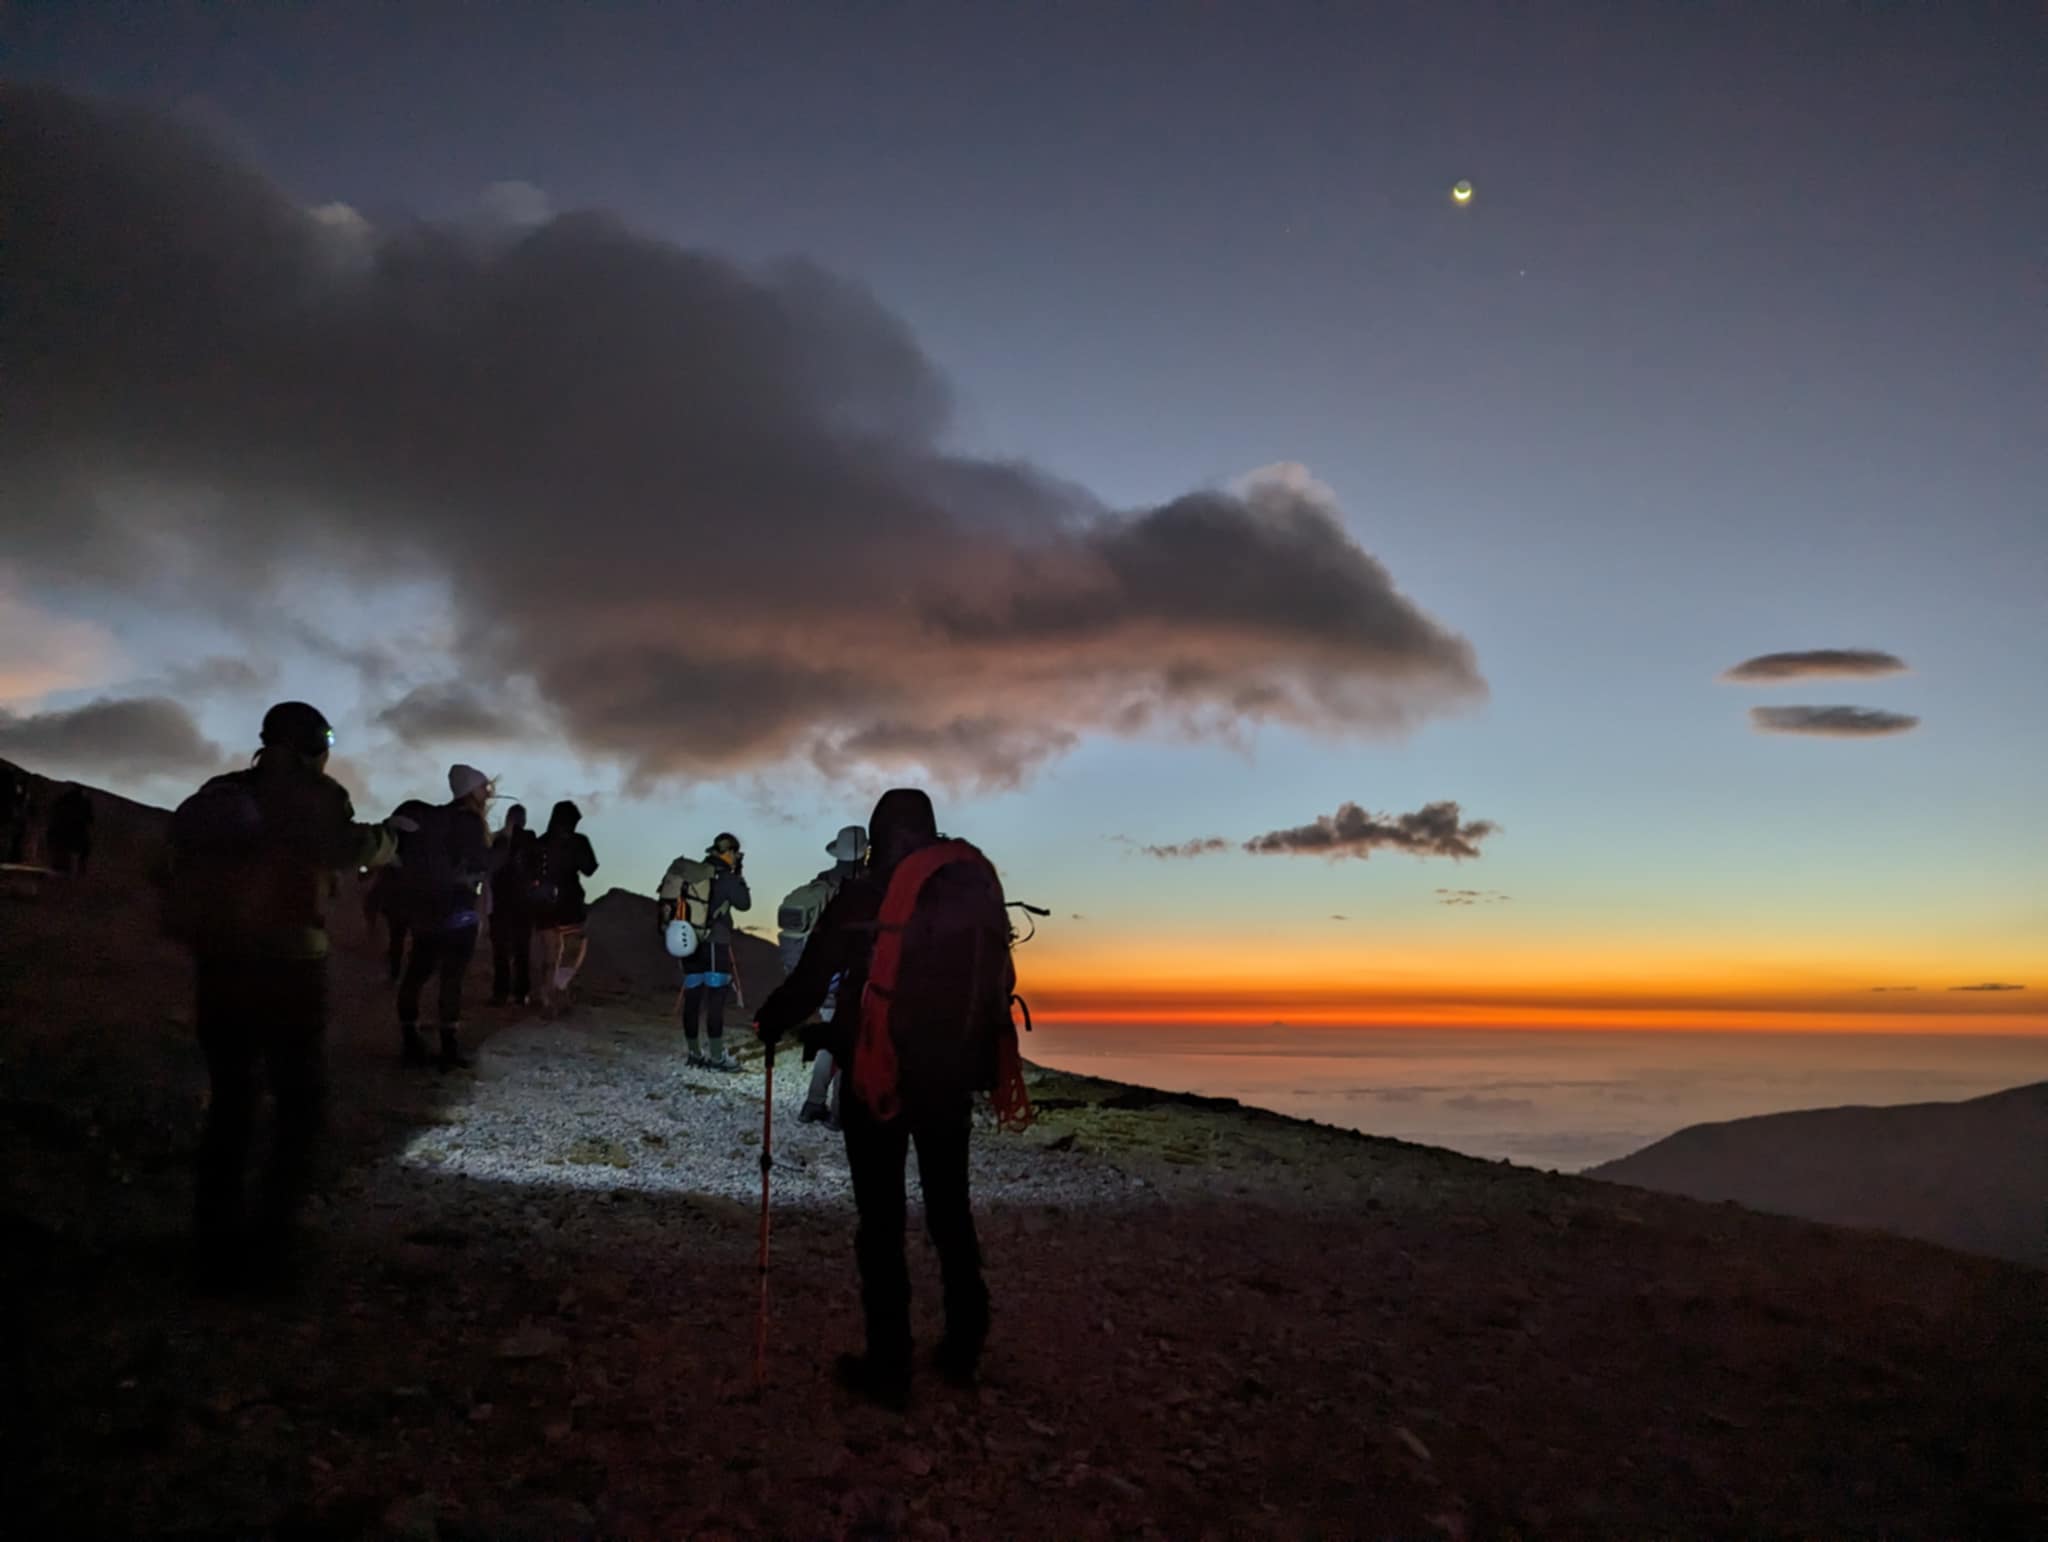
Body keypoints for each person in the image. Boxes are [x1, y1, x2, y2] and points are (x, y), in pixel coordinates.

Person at [755, 789, 1017, 1408]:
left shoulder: (864, 895)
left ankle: (889, 1364)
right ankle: (963, 1346)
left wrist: (772, 1020)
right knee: (950, 1207)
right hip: (951, 1076)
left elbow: (812, 978)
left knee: (881, 1218)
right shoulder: (965, 888)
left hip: (877, 1075)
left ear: (877, 836)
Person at [163, 701, 402, 1290]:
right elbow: (348, 848)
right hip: (291, 966)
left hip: (221, 963)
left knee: (232, 1102)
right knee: (299, 1105)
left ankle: (213, 1245)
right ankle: (272, 1249)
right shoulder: (316, 796)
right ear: (312, 745)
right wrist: (390, 840)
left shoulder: (221, 792)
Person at [393, 765, 497, 1068]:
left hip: (426, 907)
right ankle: (449, 1046)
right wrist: (501, 847)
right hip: (459, 908)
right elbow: (481, 863)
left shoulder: (435, 819)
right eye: (483, 787)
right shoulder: (470, 822)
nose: (487, 793)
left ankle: (410, 1041)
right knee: (452, 978)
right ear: (470, 790)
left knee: (417, 972)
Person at [778, 825, 869, 1125]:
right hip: (851, 982)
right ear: (865, 852)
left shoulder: (820, 885)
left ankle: (813, 1104)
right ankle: (840, 1113)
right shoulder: (866, 887)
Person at [665, 832, 751, 1071]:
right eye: (735, 853)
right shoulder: (726, 877)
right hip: (715, 942)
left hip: (690, 941)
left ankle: (694, 1053)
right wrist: (738, 875)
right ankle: (716, 1057)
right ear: (729, 852)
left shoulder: (694, 874)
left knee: (693, 997)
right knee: (716, 999)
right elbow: (744, 904)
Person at [532, 800, 598, 1017]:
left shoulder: (541, 842)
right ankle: (557, 990)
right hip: (568, 903)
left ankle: (550, 995)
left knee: (553, 953)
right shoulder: (577, 842)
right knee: (571, 948)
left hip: (546, 904)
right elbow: (589, 868)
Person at [488, 803, 539, 1007]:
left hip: (503, 901)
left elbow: (490, 869)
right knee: (520, 949)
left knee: (503, 949)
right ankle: (519, 993)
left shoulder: (499, 839)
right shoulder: (527, 839)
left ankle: (502, 992)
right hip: (520, 901)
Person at [46, 783, 94, 876]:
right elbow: (89, 819)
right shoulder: (83, 801)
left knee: (69, 848)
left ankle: (65, 867)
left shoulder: (65, 798)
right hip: (72, 830)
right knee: (81, 848)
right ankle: (76, 868)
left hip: (66, 829)